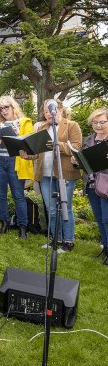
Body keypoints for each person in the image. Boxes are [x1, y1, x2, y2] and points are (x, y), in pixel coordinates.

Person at [21, 99, 82, 251]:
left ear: (60, 110)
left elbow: (76, 148)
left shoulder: (72, 125)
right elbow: (38, 152)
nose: (48, 114)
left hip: (65, 174)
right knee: (52, 209)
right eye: (46, 111)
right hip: (45, 174)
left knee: (65, 208)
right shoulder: (42, 127)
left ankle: (68, 242)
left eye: (51, 110)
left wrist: (57, 144)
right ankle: (55, 240)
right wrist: (29, 155)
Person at [0, 96, 34, 239]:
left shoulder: (25, 122)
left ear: (13, 107)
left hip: (15, 162)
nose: (4, 111)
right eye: (1, 108)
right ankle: (4, 222)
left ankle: (22, 226)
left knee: (18, 195)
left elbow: (29, 143)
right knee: (0, 195)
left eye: (6, 107)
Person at [78, 108, 108, 264]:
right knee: (100, 219)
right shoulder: (88, 140)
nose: (99, 126)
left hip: (106, 185)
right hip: (91, 183)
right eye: (95, 123)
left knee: (107, 218)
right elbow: (84, 161)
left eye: (102, 122)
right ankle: (106, 248)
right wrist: (77, 162)